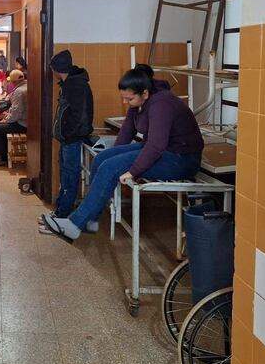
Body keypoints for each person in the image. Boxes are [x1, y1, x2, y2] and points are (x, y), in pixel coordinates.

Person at [41, 64, 204, 243]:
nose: (126, 103)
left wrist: (132, 171)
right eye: (124, 98)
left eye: (129, 99)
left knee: (110, 168)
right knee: (102, 160)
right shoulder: (141, 99)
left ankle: (73, 226)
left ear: (145, 92)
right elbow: (127, 130)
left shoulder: (161, 104)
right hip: (163, 150)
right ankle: (90, 221)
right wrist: (115, 155)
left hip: (181, 158)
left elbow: (156, 145)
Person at [40, 50, 94, 231]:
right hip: (68, 139)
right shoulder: (71, 84)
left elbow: (79, 116)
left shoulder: (75, 86)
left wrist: (69, 134)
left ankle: (62, 217)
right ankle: (60, 213)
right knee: (66, 175)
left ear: (57, 69)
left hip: (72, 139)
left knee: (69, 177)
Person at [0, 69, 27, 167]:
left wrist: (6, 119)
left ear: (13, 81)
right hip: (25, 120)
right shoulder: (25, 86)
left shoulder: (19, 91)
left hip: (22, 123)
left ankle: (2, 158)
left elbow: (16, 112)